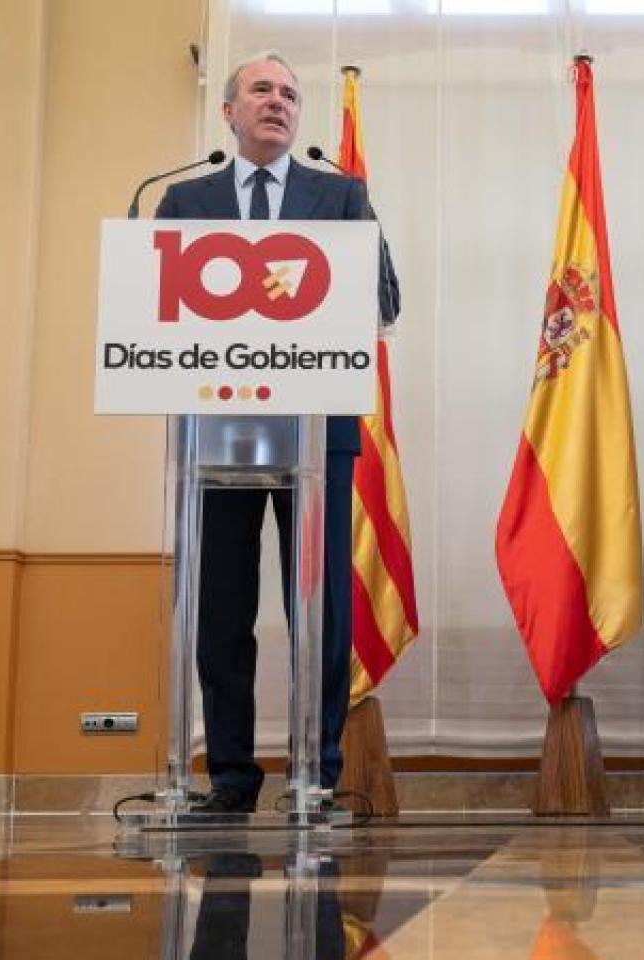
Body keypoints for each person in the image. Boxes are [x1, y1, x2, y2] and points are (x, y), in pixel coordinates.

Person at [155, 51, 401, 814]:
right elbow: (155, 299)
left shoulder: (340, 194)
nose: (278, 102)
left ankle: (316, 774)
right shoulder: (184, 201)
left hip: (315, 434)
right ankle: (229, 777)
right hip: (220, 429)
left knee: (317, 613)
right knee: (222, 608)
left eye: (291, 94)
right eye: (261, 90)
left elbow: (385, 299)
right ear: (228, 112)